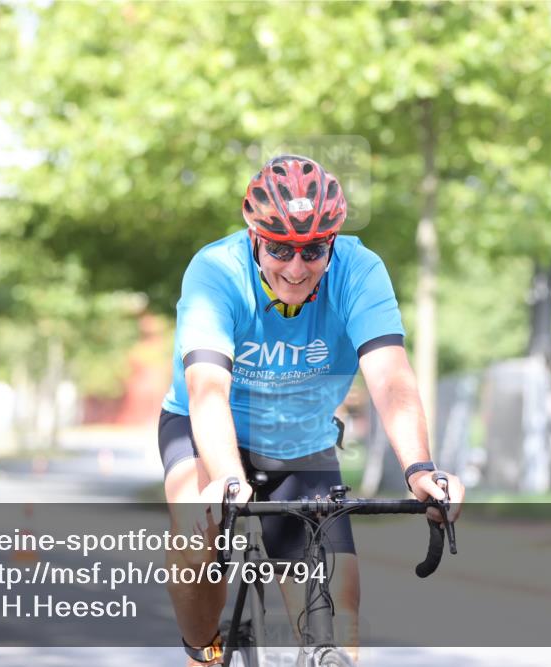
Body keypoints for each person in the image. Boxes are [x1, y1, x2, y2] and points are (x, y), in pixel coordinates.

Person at [158, 155, 465, 666]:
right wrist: (228, 479)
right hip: (208, 431)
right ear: (253, 234)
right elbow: (207, 388)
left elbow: (390, 376)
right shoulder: (215, 271)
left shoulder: (360, 271)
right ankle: (203, 651)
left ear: (333, 241)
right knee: (198, 534)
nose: (296, 268)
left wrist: (420, 470)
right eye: (279, 248)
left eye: (313, 250)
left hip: (302, 443)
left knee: (339, 628)